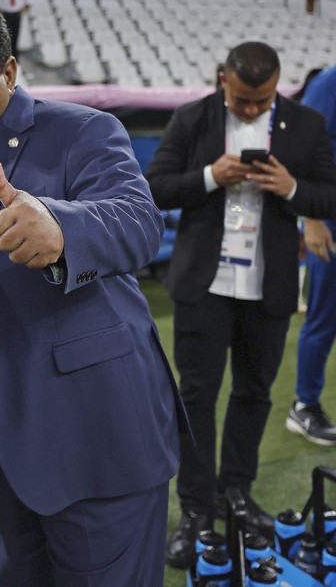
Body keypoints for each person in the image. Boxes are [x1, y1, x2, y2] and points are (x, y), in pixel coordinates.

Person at [0, 0, 183, 585]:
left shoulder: (79, 130)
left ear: (8, 71)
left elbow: (138, 222)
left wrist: (61, 228)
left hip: (90, 433)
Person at [145, 42, 336, 568]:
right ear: (222, 78)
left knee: (254, 393)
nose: (252, 110)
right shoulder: (191, 119)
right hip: (205, 284)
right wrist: (212, 176)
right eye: (242, 100)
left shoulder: (307, 124)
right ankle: (196, 511)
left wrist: (292, 188)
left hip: (268, 285)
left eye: (263, 100)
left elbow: (330, 194)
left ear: (278, 86)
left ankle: (237, 495)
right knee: (197, 397)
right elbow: (155, 187)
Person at [289, 63, 336, 446]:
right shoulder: (329, 81)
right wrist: (312, 217)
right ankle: (304, 405)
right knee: (325, 315)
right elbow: (306, 148)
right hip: (331, 220)